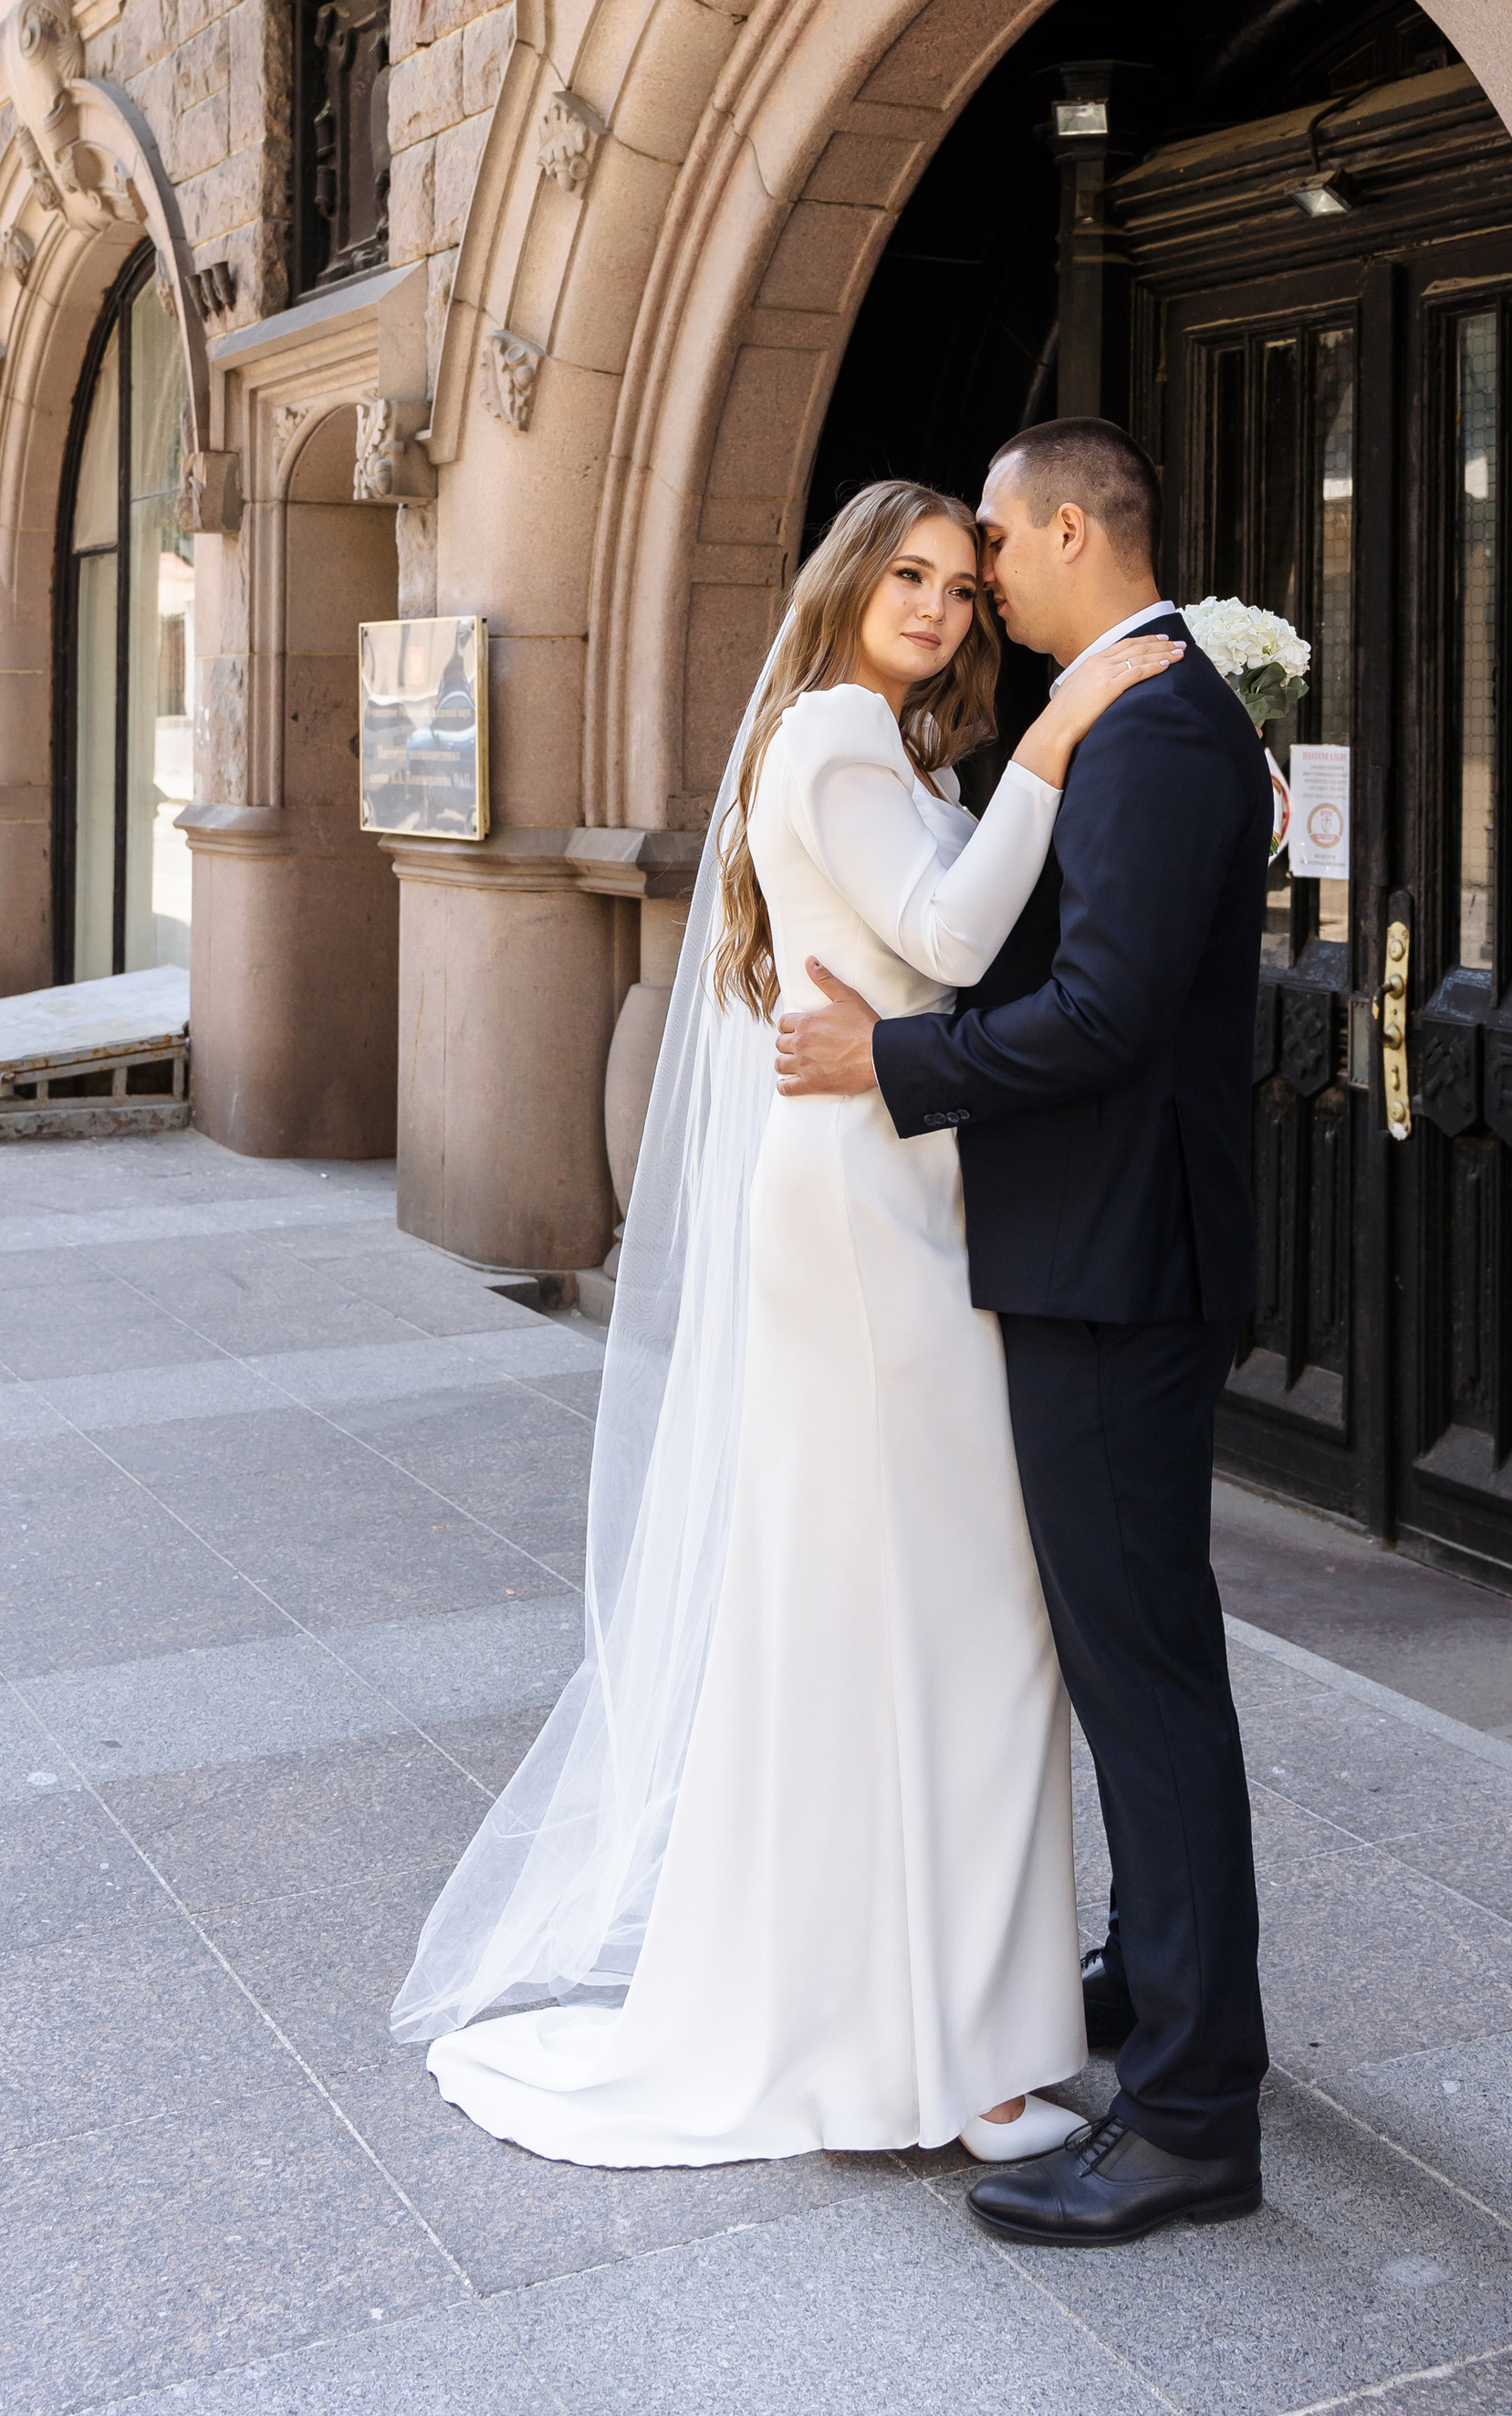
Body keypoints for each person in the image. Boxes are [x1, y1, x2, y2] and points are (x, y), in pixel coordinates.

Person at [392, 477, 1179, 2163]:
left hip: (894, 1189)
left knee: (898, 1615)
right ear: (845, 583)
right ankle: (956, 2063)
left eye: (965, 588)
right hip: (865, 1212)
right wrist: (1067, 732)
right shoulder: (832, 733)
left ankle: (912, 2021)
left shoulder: (897, 753)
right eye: (911, 576)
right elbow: (957, 938)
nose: (944, 609)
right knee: (965, 1616)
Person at [776, 415, 1274, 2247]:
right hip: (1104, 1257)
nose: (977, 567)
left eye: (990, 535)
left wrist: (889, 1061)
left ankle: (1191, 2121)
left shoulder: (1145, 721)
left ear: (1069, 530)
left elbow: (1101, 1019)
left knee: (1140, 1683)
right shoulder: (1146, 709)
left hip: (1109, 1269)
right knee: (1146, 1667)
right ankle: (1160, 1996)